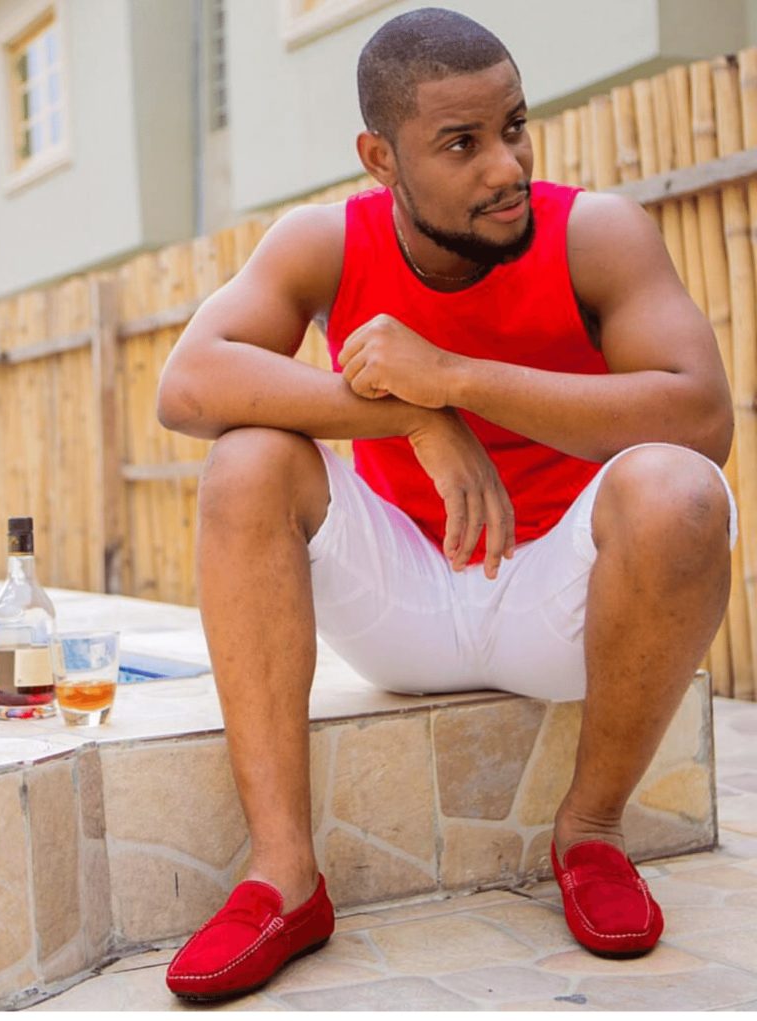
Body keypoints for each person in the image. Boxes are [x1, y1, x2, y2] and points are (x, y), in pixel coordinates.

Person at [156, 6, 736, 1003]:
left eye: (514, 126)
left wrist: (456, 378)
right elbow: (188, 384)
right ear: (380, 157)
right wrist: (411, 415)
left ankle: (591, 832)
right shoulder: (323, 241)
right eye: (461, 143)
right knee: (246, 461)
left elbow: (702, 418)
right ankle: (283, 876)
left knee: (681, 490)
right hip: (405, 602)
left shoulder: (595, 234)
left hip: (558, 601)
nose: (505, 166)